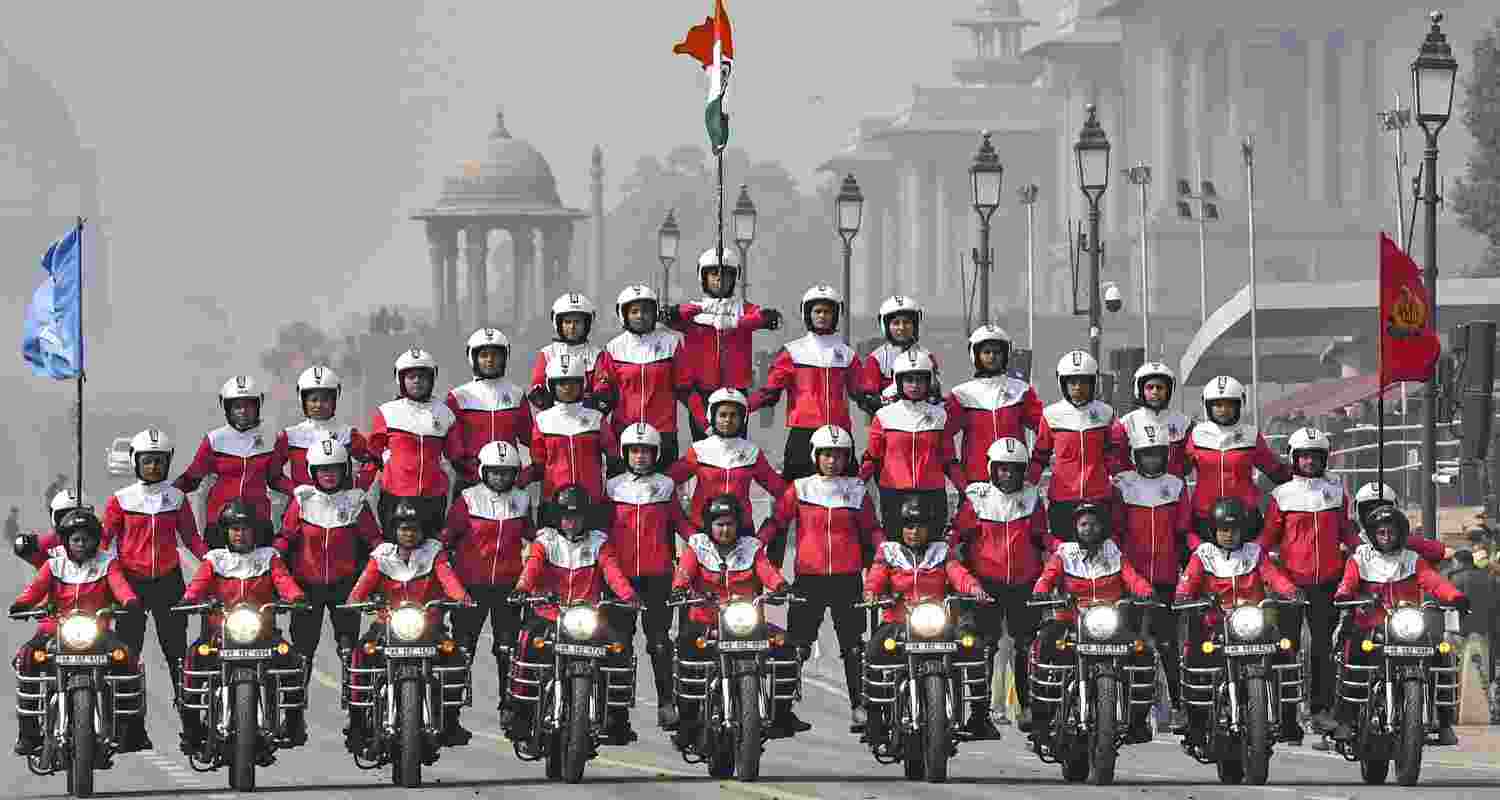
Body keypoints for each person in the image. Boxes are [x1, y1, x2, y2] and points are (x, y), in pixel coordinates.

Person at [756, 424, 881, 733]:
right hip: (809, 578)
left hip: (847, 578)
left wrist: (885, 552)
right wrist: (756, 542)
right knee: (797, 646)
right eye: (826, 455)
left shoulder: (856, 491)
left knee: (854, 647)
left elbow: (872, 530)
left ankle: (861, 709)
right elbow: (777, 522)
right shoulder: (800, 488)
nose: (832, 461)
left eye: (839, 456)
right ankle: (782, 710)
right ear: (815, 456)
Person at [1323, 506, 1468, 745]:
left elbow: (1434, 582)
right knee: (1354, 654)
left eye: (1391, 532)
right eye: (1381, 533)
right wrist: (1344, 595)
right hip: (1372, 626)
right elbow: (1347, 584)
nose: (1387, 537)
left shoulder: (1413, 559)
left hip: (1408, 625)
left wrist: (1455, 597)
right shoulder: (1360, 559)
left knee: (1442, 652)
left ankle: (1444, 723)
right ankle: (1347, 721)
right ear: (1373, 534)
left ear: (1401, 533)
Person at [507, 485, 638, 746]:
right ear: (557, 516)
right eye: (565, 515)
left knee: (619, 647)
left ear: (586, 517)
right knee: (525, 641)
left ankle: (615, 716)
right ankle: (519, 711)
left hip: (586, 617)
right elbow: (532, 568)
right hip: (549, 614)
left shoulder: (599, 542)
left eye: (577, 516)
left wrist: (628, 596)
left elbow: (612, 572)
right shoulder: (545, 540)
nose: (571, 521)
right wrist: (522, 588)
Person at [101, 427, 207, 746]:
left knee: (177, 655)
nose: (153, 467)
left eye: (160, 462)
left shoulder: (176, 498)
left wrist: (217, 563)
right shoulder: (120, 500)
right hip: (131, 585)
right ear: (135, 462)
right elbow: (104, 543)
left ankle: (192, 727)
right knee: (126, 656)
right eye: (147, 461)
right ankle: (130, 728)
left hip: (168, 581)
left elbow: (191, 539)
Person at [9, 509, 144, 755]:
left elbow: (120, 586)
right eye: (76, 540)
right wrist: (22, 604)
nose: (81, 544)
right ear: (66, 542)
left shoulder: (107, 563)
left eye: (87, 539)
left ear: (95, 540)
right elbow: (35, 589)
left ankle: (129, 729)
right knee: (26, 657)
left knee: (127, 658)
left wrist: (130, 602)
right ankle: (28, 733)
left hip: (97, 632)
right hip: (54, 631)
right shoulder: (54, 565)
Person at [948, 437, 1057, 736]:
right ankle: (979, 715)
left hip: (1025, 583)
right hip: (986, 584)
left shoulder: (1033, 497)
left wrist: (1061, 548)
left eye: (1014, 470)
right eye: (1002, 470)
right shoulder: (977, 497)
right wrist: (946, 551)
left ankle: (1030, 711)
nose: (1007, 476)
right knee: (982, 647)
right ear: (992, 470)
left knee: (1026, 647)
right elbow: (959, 535)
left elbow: (1041, 536)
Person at [346, 500, 474, 750]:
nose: (409, 534)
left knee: (455, 657)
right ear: (395, 530)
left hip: (428, 626)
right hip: (387, 625)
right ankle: (358, 723)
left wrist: (462, 598)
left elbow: (449, 579)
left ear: (422, 531)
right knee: (360, 655)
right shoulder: (381, 556)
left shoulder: (434, 553)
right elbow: (363, 585)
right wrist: (355, 600)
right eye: (403, 528)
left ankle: (450, 720)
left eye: (414, 529)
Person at [180, 500, 308, 748]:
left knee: (292, 659)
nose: (241, 534)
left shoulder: (269, 557)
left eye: (246, 529)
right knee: (193, 657)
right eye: (235, 529)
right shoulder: (215, 559)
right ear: (226, 532)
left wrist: (296, 597)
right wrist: (188, 599)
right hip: (220, 633)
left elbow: (283, 580)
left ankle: (293, 723)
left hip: (263, 633)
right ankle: (192, 728)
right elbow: (198, 584)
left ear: (256, 532)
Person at [1173, 497, 1301, 743]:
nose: (1229, 535)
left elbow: (1273, 576)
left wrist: (1290, 591)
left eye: (1234, 530)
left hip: (1253, 622)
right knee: (1195, 657)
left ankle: (1285, 718)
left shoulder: (1254, 553)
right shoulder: (1204, 554)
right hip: (1215, 624)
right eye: (1223, 530)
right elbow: (1188, 581)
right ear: (1214, 530)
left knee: (1285, 651)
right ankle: (1195, 722)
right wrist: (1183, 595)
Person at [670, 495, 800, 737]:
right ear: (710, 525)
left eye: (729, 524)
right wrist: (679, 588)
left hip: (748, 624)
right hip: (707, 622)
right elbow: (685, 571)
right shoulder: (698, 547)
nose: (725, 529)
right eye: (719, 524)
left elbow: (767, 571)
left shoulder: (751, 548)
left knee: (786, 647)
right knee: (685, 648)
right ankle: (686, 722)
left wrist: (781, 586)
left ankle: (782, 714)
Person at [1261, 427, 1360, 744]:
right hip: (1290, 584)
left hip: (1327, 583)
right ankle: (1286, 718)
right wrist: (1254, 561)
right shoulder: (1281, 495)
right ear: (1293, 458)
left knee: (1323, 649)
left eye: (1315, 457)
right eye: (1303, 456)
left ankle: (1321, 710)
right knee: (1285, 650)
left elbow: (1346, 531)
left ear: (1324, 459)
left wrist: (1365, 553)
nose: (1309, 462)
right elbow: (1268, 539)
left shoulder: (1336, 489)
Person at [863, 496, 988, 746]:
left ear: (929, 529)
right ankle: (874, 720)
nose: (914, 531)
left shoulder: (942, 552)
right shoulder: (888, 552)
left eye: (920, 526)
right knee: (874, 650)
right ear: (900, 528)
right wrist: (871, 594)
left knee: (972, 646)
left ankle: (979, 715)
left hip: (938, 624)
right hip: (898, 622)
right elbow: (876, 577)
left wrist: (974, 588)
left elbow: (958, 574)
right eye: (909, 526)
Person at [1030, 503, 1154, 739]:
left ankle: (1137, 720)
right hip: (1071, 621)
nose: (1089, 528)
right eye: (1084, 524)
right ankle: (1041, 720)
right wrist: (1041, 590)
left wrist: (1145, 591)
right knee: (1045, 644)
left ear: (1103, 527)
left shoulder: (1113, 552)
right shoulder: (1064, 553)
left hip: (1110, 625)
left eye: (1094, 524)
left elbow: (1132, 578)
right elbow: (1047, 576)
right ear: (1076, 528)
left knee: (1143, 652)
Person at [1111, 422, 1197, 730]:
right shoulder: (1122, 483)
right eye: (1144, 455)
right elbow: (1116, 531)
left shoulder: (1175, 485)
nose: (1150, 461)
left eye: (1156, 455)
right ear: (1135, 455)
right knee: (1128, 646)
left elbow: (1184, 530)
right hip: (1129, 579)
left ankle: (1179, 708)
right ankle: (1130, 714)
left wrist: (1198, 554)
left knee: (1168, 645)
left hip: (1164, 577)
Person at [603, 423, 688, 729]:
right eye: (635, 451)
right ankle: (615, 713)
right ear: (625, 453)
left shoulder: (666, 486)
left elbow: (681, 523)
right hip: (620, 580)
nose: (640, 457)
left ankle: (667, 704)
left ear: (656, 454)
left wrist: (704, 542)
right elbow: (601, 533)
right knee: (618, 644)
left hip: (658, 577)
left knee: (660, 644)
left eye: (647, 451)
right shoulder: (612, 487)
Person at [442, 440, 533, 714]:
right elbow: (446, 539)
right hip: (471, 587)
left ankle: (511, 708)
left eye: (506, 472)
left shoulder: (522, 500)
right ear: (483, 471)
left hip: (508, 588)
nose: (500, 477)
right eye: (494, 471)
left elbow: (533, 539)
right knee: (462, 648)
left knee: (507, 649)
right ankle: (450, 711)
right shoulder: (468, 499)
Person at [275, 440, 382, 668]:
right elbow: (285, 538)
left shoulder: (355, 501)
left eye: (334, 468)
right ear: (313, 471)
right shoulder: (303, 501)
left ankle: (357, 701)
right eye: (323, 469)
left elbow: (374, 541)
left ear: (344, 470)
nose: (329, 475)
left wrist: (392, 562)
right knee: (302, 652)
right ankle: (294, 701)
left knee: (349, 651)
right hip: (306, 587)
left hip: (344, 587)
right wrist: (271, 560)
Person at [660, 247, 782, 442]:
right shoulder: (694, 311)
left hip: (735, 391)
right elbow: (667, 318)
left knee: (735, 449)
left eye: (726, 274)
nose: (719, 279)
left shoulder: (744, 308)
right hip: (701, 392)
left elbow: (769, 318)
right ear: (703, 277)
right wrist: (703, 307)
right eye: (713, 274)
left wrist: (735, 322)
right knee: (704, 452)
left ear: (735, 278)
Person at [750, 285, 866, 482]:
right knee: (794, 494)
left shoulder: (847, 355)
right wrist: (742, 406)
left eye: (827, 311)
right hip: (803, 434)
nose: (822, 316)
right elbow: (769, 392)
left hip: (840, 432)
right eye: (817, 311)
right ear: (807, 314)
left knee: (849, 489)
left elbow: (863, 394)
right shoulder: (792, 351)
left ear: (836, 314)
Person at [174, 375, 288, 546]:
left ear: (258, 405)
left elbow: (276, 479)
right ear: (227, 408)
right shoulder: (214, 439)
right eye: (237, 406)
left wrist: (302, 491)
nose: (243, 411)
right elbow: (191, 478)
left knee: (263, 571)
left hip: (258, 521)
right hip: (220, 523)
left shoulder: (272, 437)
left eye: (249, 405)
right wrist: (165, 493)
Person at [860, 348, 958, 540]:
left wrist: (965, 489)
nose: (915, 385)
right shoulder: (883, 417)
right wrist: (855, 483)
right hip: (895, 494)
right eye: (909, 380)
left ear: (928, 382)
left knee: (933, 552)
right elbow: (872, 458)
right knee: (896, 553)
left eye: (920, 379)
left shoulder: (940, 416)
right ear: (898, 382)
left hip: (932, 493)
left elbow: (949, 461)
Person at [666, 388, 787, 534]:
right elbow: (665, 482)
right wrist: (685, 526)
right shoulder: (699, 450)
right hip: (703, 529)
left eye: (733, 415)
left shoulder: (752, 452)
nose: (728, 420)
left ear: (742, 418)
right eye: (722, 415)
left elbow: (781, 490)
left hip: (742, 530)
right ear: (712, 417)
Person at [368, 348, 463, 532]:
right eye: (411, 377)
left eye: (423, 376)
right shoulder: (387, 412)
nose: (417, 381)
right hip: (395, 494)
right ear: (401, 379)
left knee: (430, 549)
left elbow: (455, 454)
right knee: (396, 549)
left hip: (434, 495)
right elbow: (373, 452)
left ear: (432, 379)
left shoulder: (445, 413)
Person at [1029, 351, 1119, 541]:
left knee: (1101, 554)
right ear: (1063, 383)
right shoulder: (1051, 415)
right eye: (1072, 382)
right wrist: (1027, 484)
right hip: (1063, 498)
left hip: (1099, 496)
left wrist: (1123, 481)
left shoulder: (1106, 413)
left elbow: (1113, 455)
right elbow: (1040, 455)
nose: (1078, 387)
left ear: (1093, 383)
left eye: (1084, 382)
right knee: (1065, 554)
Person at [1183, 375, 1290, 533]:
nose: (1223, 410)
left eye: (1229, 405)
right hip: (1205, 516)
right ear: (1207, 406)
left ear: (1240, 404)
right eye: (1218, 405)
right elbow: (1179, 469)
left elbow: (1273, 469)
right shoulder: (1196, 435)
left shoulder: (1250, 435)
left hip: (1245, 516)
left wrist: (1307, 475)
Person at [601, 285, 691, 468]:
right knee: (621, 491)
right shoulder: (613, 348)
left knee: (663, 490)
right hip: (624, 432)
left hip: (662, 433)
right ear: (623, 314)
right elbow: (605, 392)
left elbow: (685, 390)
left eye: (646, 311)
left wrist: (706, 423)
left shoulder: (670, 343)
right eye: (634, 311)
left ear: (655, 312)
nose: (640, 316)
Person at [944, 325, 1042, 488]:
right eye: (986, 352)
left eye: (997, 352)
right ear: (975, 354)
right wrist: (959, 480)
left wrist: (1034, 470)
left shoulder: (1021, 390)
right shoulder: (961, 394)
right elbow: (942, 438)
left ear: (1006, 354)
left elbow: (1045, 432)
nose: (992, 356)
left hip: (1016, 480)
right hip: (976, 483)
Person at [445, 328, 534, 500]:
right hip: (470, 482)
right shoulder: (458, 397)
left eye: (495, 355)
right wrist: (473, 472)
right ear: (473, 357)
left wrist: (528, 473)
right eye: (484, 355)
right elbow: (452, 448)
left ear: (505, 357)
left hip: (508, 480)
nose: (490, 360)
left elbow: (531, 439)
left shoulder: (516, 395)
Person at [528, 350, 617, 502]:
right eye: (562, 383)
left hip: (591, 499)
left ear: (582, 383)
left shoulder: (595, 418)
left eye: (573, 383)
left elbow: (613, 455)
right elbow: (538, 463)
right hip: (554, 500)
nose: (567, 388)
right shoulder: (543, 421)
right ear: (551, 385)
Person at [273, 365, 376, 494]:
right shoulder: (290, 436)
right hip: (303, 507)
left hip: (341, 507)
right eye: (313, 400)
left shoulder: (347, 434)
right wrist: (295, 490)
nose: (319, 405)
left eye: (325, 399)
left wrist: (358, 487)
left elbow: (372, 461)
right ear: (303, 400)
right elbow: (274, 475)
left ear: (335, 400)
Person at [528, 293, 613, 411]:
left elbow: (603, 391)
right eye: (567, 322)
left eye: (577, 322)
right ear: (558, 323)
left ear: (587, 324)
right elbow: (537, 389)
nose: (572, 327)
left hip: (587, 419)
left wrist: (580, 408)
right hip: (554, 418)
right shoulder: (548, 353)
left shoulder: (597, 355)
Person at [859, 295, 941, 412]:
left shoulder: (926, 356)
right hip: (888, 422)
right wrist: (888, 400)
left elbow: (935, 393)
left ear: (916, 324)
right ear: (886, 326)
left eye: (907, 322)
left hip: (920, 420)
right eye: (896, 323)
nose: (901, 328)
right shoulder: (877, 358)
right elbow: (867, 399)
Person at [1109, 362, 1191, 477]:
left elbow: (1190, 463)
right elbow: (1116, 461)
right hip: (1138, 491)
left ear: (1169, 391)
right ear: (1140, 390)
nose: (1155, 392)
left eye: (1160, 387)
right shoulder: (1126, 423)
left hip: (1174, 491)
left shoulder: (1183, 423)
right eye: (1150, 387)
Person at [14, 488, 92, 567]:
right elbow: (20, 545)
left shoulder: (102, 536)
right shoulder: (44, 545)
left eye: (81, 516)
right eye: (65, 516)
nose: (74, 523)